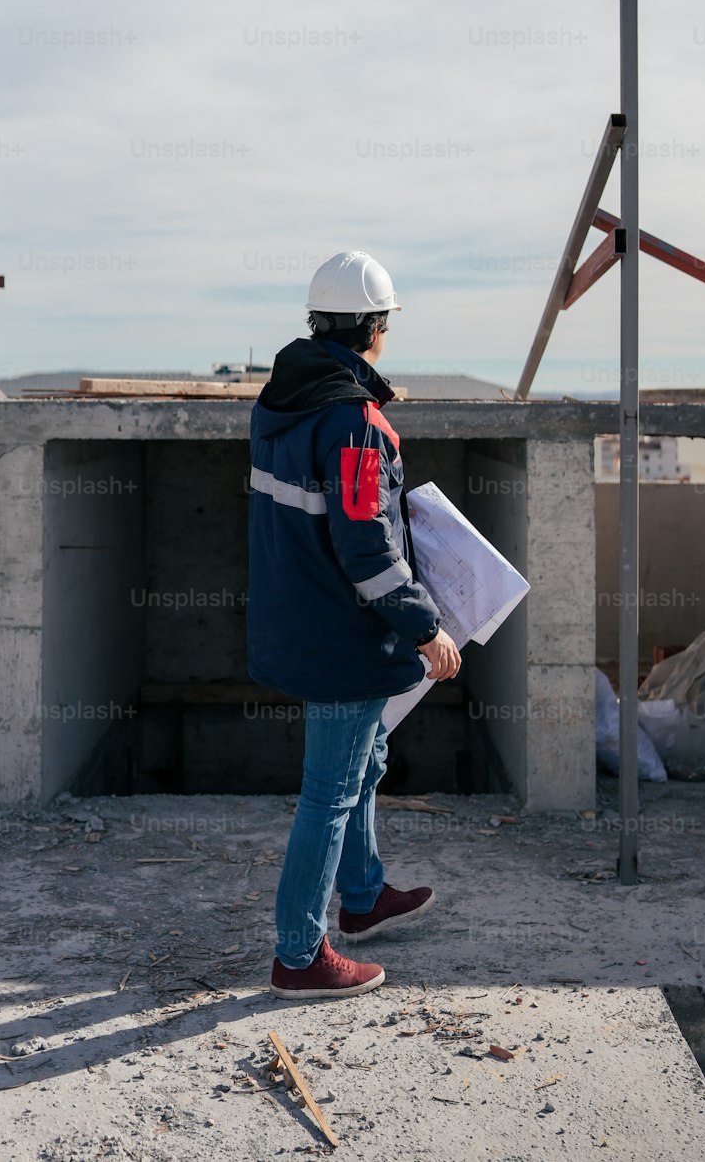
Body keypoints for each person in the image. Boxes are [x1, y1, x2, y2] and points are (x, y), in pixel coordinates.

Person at [247, 249, 462, 998]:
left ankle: (364, 898)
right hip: (343, 634)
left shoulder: (280, 403)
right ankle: (300, 954)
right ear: (373, 326)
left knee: (363, 762)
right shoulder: (353, 422)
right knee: (330, 791)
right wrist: (423, 625)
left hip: (296, 619)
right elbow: (365, 542)